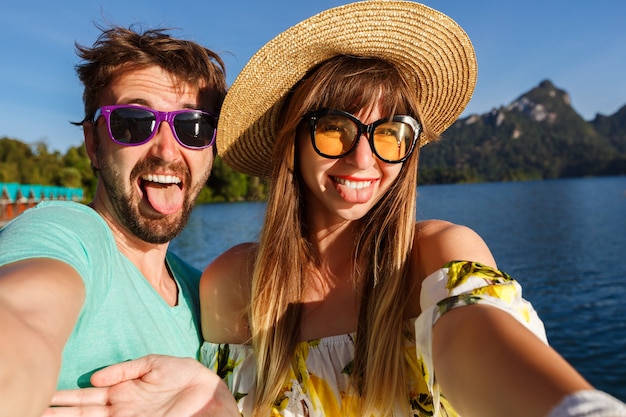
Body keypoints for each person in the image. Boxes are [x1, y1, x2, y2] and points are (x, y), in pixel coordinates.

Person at [50, 2, 626, 417]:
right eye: (334, 128)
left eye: (391, 133)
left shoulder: (435, 254)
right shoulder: (234, 283)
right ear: (293, 141)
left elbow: (478, 340)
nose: (363, 157)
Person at [0, 25, 238, 417]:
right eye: (133, 123)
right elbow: (24, 318)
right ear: (94, 144)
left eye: (193, 127)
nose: (166, 151)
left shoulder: (205, 294)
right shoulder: (67, 236)